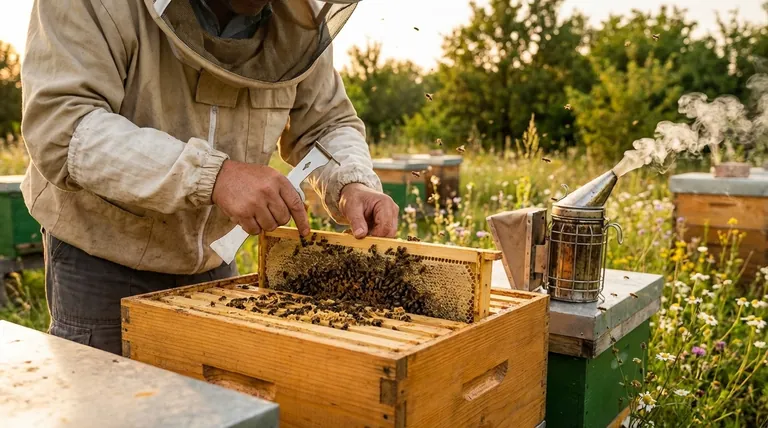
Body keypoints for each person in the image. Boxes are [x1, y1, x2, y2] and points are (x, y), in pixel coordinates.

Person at [19, 0, 399, 355]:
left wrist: (352, 182)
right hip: (103, 261)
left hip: (215, 263)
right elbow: (63, 127)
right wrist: (213, 176)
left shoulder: (294, 19)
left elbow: (327, 122)